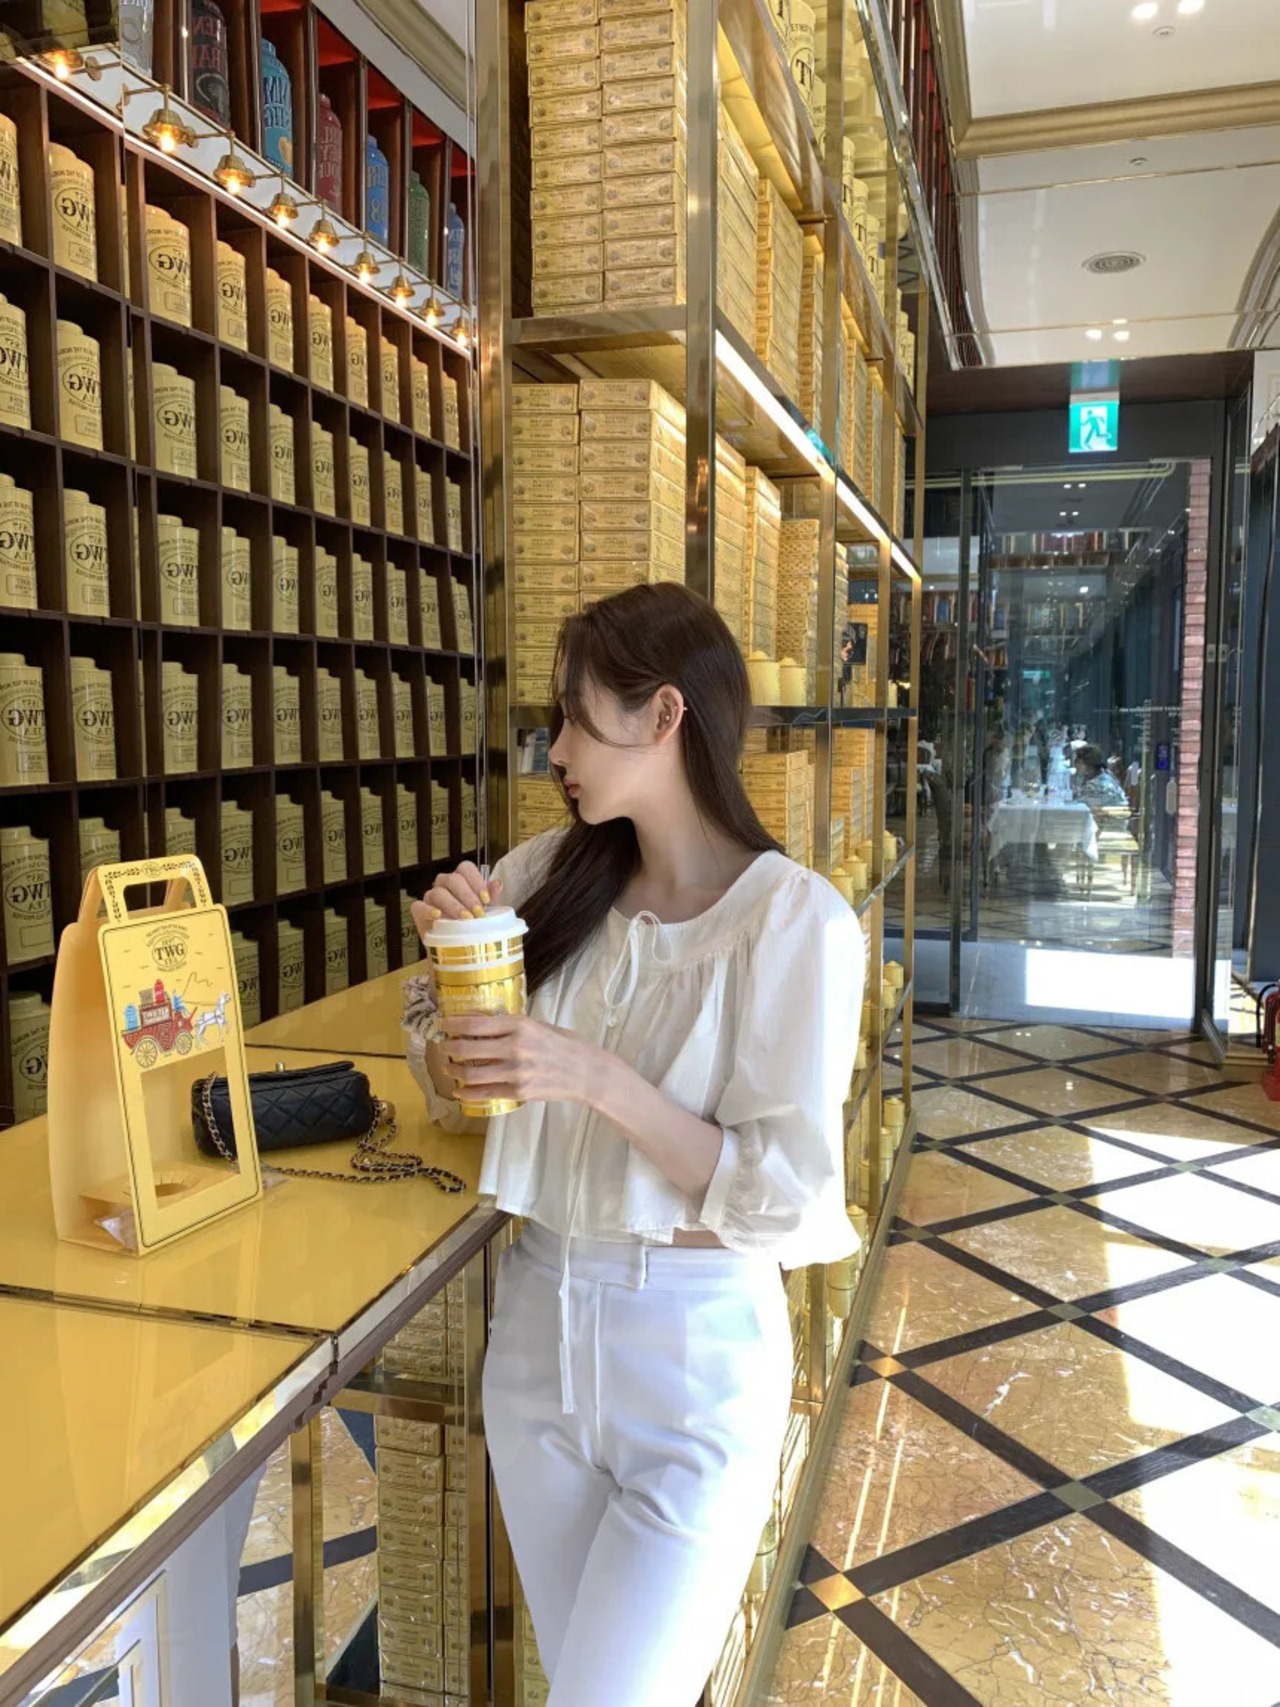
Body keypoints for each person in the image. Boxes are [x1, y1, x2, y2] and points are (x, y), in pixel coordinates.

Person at [405, 583, 863, 1707]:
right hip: (535, 1336)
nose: (555, 749)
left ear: (663, 716)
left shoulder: (793, 921)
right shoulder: (541, 878)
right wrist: (457, 981)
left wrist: (595, 1077)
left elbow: (786, 1195)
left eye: (573, 717)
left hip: (693, 1361)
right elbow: (456, 1086)